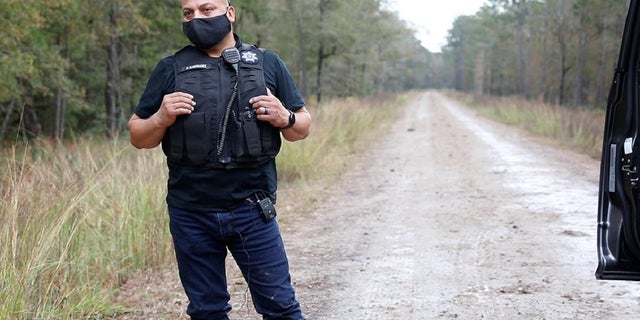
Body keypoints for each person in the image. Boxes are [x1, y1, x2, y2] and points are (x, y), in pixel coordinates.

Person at [127, 0, 311, 319]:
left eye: (206, 9)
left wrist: (286, 118)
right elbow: (138, 136)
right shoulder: (170, 68)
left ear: (230, 13)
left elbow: (302, 127)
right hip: (191, 212)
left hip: (253, 209)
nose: (196, 18)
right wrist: (161, 117)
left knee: (280, 306)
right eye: (188, 13)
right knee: (206, 311)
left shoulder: (267, 62)